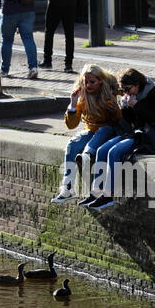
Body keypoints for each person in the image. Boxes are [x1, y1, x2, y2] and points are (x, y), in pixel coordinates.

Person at [80, 68, 155, 210]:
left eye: (128, 89)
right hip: (133, 132)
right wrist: (124, 109)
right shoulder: (131, 96)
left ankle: (107, 196)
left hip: (148, 135)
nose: (126, 93)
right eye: (124, 90)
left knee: (114, 152)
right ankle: (96, 192)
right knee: (102, 150)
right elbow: (128, 122)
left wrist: (137, 105)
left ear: (137, 85)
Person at [51, 64, 122, 204]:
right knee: (72, 144)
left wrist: (113, 110)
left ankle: (88, 155)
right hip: (91, 131)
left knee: (103, 130)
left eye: (92, 82)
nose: (88, 85)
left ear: (100, 81)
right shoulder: (81, 96)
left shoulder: (109, 93)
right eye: (85, 82)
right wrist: (72, 104)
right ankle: (67, 188)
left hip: (109, 131)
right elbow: (71, 125)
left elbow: (118, 120)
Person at [38, 0, 85, 72]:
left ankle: (47, 60)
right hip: (70, 0)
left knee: (49, 32)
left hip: (55, 0)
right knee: (69, 34)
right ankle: (68, 64)